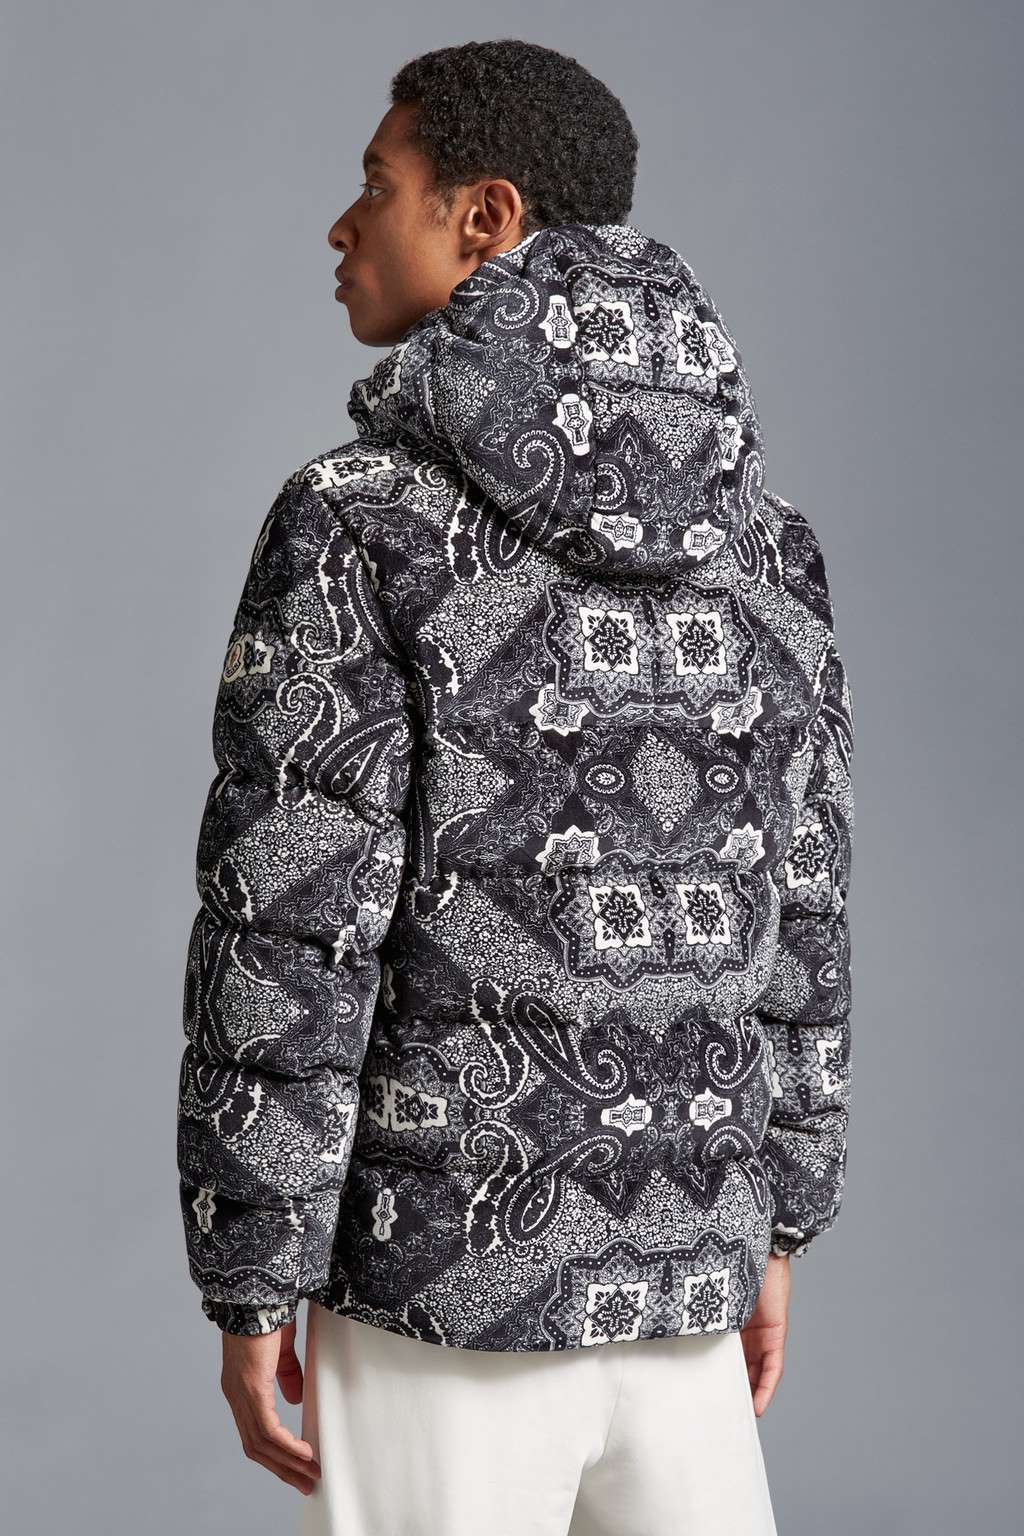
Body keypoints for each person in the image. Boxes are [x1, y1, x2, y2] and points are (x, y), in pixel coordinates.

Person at [176, 38, 855, 1536]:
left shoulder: (359, 521)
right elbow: (803, 905)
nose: (342, 224)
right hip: (689, 1261)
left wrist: (253, 1272)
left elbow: (293, 929)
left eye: (377, 185)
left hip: (438, 1287)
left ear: (484, 217)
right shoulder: (770, 542)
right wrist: (776, 1219)